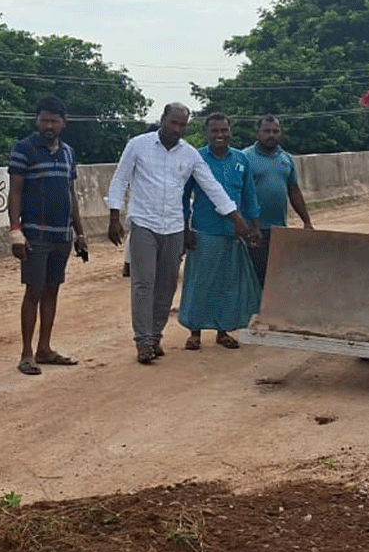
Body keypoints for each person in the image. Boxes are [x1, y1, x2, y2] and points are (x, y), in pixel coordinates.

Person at [106, 103, 251, 364]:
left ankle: (155, 335)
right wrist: (114, 215)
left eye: (182, 125)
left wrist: (236, 218)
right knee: (143, 282)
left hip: (173, 226)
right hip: (143, 223)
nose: (177, 129)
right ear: (163, 120)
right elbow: (119, 179)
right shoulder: (137, 145)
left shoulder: (190, 155)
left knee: (167, 284)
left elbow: (212, 187)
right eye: (173, 123)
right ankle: (142, 341)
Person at [7, 96, 86, 376]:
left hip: (62, 235)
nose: (48, 125)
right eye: (43, 119)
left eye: (53, 120)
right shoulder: (24, 149)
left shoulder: (68, 153)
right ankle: (27, 353)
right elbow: (15, 192)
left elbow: (70, 193)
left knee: (52, 290)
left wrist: (80, 232)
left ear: (63, 123)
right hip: (35, 234)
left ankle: (45, 348)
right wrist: (16, 231)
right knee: (34, 291)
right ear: (37, 120)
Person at [179, 113, 262, 350]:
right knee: (200, 282)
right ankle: (194, 331)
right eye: (215, 131)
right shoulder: (196, 159)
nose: (220, 135)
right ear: (207, 133)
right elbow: (183, 198)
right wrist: (185, 229)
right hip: (204, 230)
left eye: (224, 130)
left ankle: (223, 331)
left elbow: (249, 195)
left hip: (234, 233)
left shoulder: (241, 160)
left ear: (230, 132)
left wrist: (254, 226)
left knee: (228, 284)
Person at [242, 115, 313, 289]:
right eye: (267, 131)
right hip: (253, 230)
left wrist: (307, 221)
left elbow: (294, 191)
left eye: (275, 131)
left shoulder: (286, 159)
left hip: (279, 229)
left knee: (276, 275)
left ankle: (270, 313)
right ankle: (254, 312)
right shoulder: (245, 158)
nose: (271, 135)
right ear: (258, 132)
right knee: (254, 276)